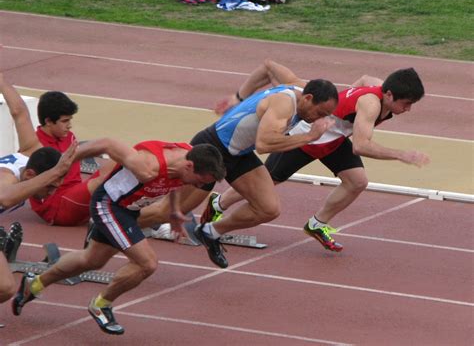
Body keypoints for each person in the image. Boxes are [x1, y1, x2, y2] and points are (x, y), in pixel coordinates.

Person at [207, 59, 430, 252]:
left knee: (357, 181)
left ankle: (316, 224)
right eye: (406, 104)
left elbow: (363, 79)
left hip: (332, 139)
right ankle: (219, 205)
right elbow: (361, 146)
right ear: (389, 94)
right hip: (306, 136)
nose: (408, 109)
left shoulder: (380, 87)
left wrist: (341, 103)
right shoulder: (370, 104)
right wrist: (401, 155)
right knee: (268, 181)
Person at [12, 138, 226, 335]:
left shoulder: (189, 160)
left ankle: (35, 284)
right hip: (109, 206)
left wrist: (173, 211)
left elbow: (177, 183)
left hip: (129, 209)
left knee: (92, 260)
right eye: (199, 182)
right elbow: (107, 143)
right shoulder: (148, 166)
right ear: (189, 166)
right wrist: (64, 163)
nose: (198, 187)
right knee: (147, 263)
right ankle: (101, 304)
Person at [184, 64, 339, 269]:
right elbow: (264, 144)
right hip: (213, 146)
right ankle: (137, 214)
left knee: (268, 209)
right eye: (319, 113)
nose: (319, 119)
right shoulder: (285, 104)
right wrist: (310, 136)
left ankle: (209, 232)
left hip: (240, 153)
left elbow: (267, 67)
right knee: (177, 207)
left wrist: (238, 97)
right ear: (308, 99)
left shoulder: (299, 86)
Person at [0, 73, 75, 303]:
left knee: (4, 288)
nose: (51, 193)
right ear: (32, 175)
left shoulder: (31, 151)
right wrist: (53, 173)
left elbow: (19, 111)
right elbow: (3, 198)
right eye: (49, 186)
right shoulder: (8, 177)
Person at [29, 90, 112, 226]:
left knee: (120, 164)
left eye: (70, 120)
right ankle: (140, 223)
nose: (69, 125)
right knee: (105, 182)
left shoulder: (69, 136)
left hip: (76, 193)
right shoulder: (35, 146)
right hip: (56, 207)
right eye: (65, 121)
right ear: (48, 121)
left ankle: (142, 216)